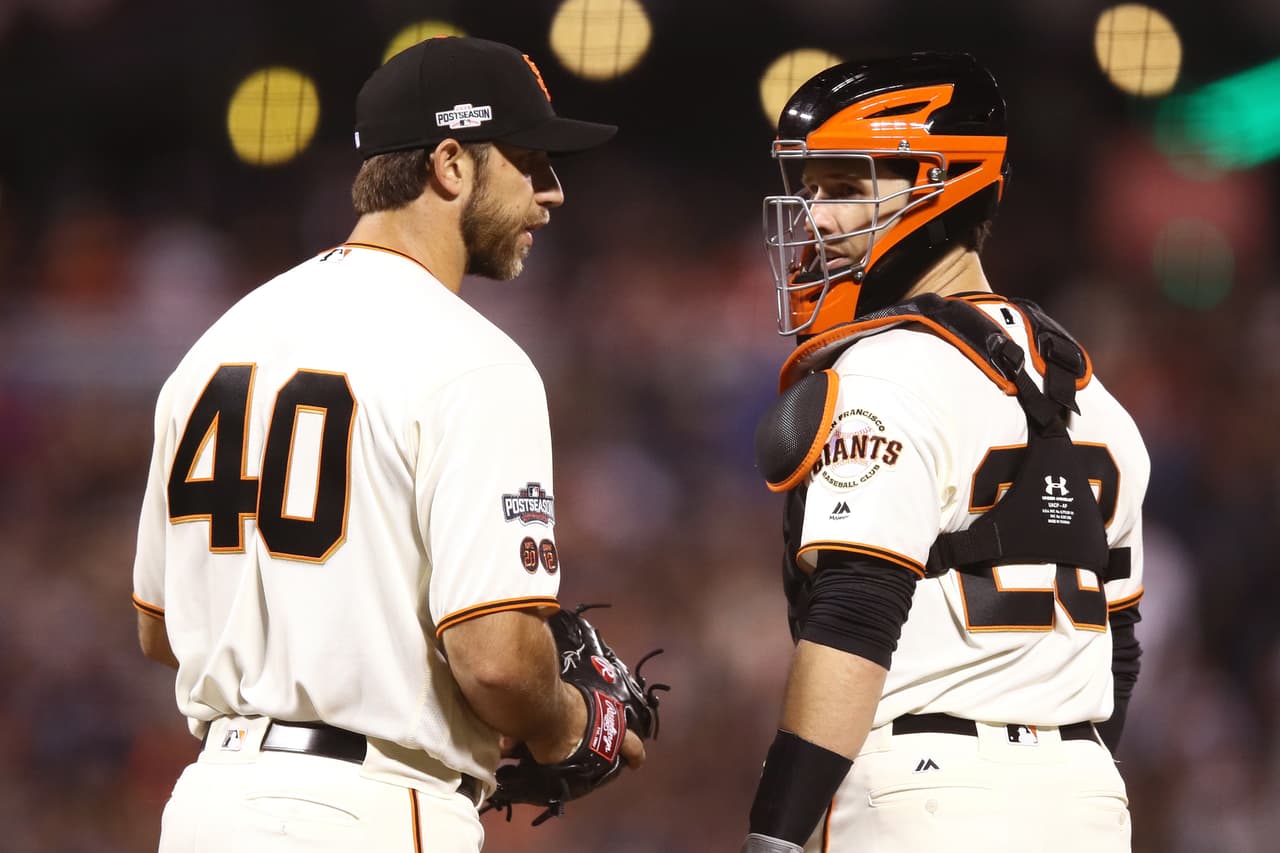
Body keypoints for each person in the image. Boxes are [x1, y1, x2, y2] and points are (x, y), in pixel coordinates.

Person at [131, 35, 643, 852]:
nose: (551, 193)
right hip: (365, 809)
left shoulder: (212, 346)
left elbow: (161, 629)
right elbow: (500, 662)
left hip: (207, 806)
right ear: (450, 163)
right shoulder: (476, 358)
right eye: (530, 160)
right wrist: (573, 719)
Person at [742, 52, 1148, 852]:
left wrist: (775, 833)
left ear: (938, 183)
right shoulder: (1100, 400)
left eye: (846, 187)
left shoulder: (886, 370)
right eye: (813, 188)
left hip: (920, 795)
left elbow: (855, 619)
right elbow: (1120, 653)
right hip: (1089, 798)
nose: (815, 217)